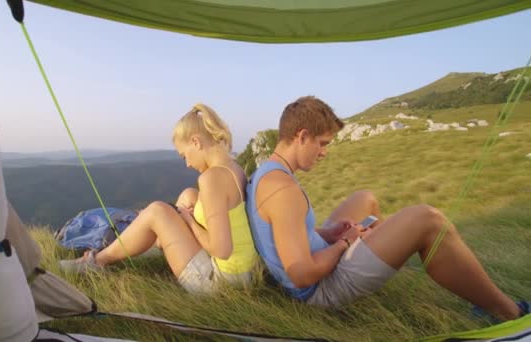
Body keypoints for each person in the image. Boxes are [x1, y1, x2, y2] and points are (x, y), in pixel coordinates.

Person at [246, 96, 529, 321]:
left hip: (319, 256)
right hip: (319, 291)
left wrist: (329, 233)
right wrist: (344, 243)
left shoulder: (270, 173)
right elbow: (302, 274)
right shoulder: (283, 190)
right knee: (427, 219)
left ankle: (380, 259)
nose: (324, 152)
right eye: (322, 144)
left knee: (365, 198)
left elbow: (284, 232)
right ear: (302, 135)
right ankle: (507, 312)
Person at [61, 104, 258, 295]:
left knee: (157, 210)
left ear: (196, 142)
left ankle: (96, 263)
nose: (188, 164)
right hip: (242, 274)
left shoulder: (211, 179)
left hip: (219, 284)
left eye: (184, 156)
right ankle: (152, 240)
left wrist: (188, 220)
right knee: (189, 195)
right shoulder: (234, 168)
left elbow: (221, 250)